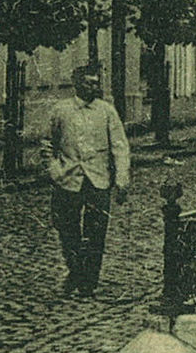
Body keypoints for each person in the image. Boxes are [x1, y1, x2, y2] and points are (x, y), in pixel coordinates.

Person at [43, 64, 130, 298]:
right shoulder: (61, 111)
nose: (95, 86)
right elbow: (47, 144)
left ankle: (88, 282)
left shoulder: (107, 111)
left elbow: (120, 147)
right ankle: (75, 270)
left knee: (96, 232)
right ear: (77, 84)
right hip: (67, 180)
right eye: (90, 82)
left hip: (98, 180)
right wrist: (53, 170)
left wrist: (121, 179)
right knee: (67, 230)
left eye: (96, 82)